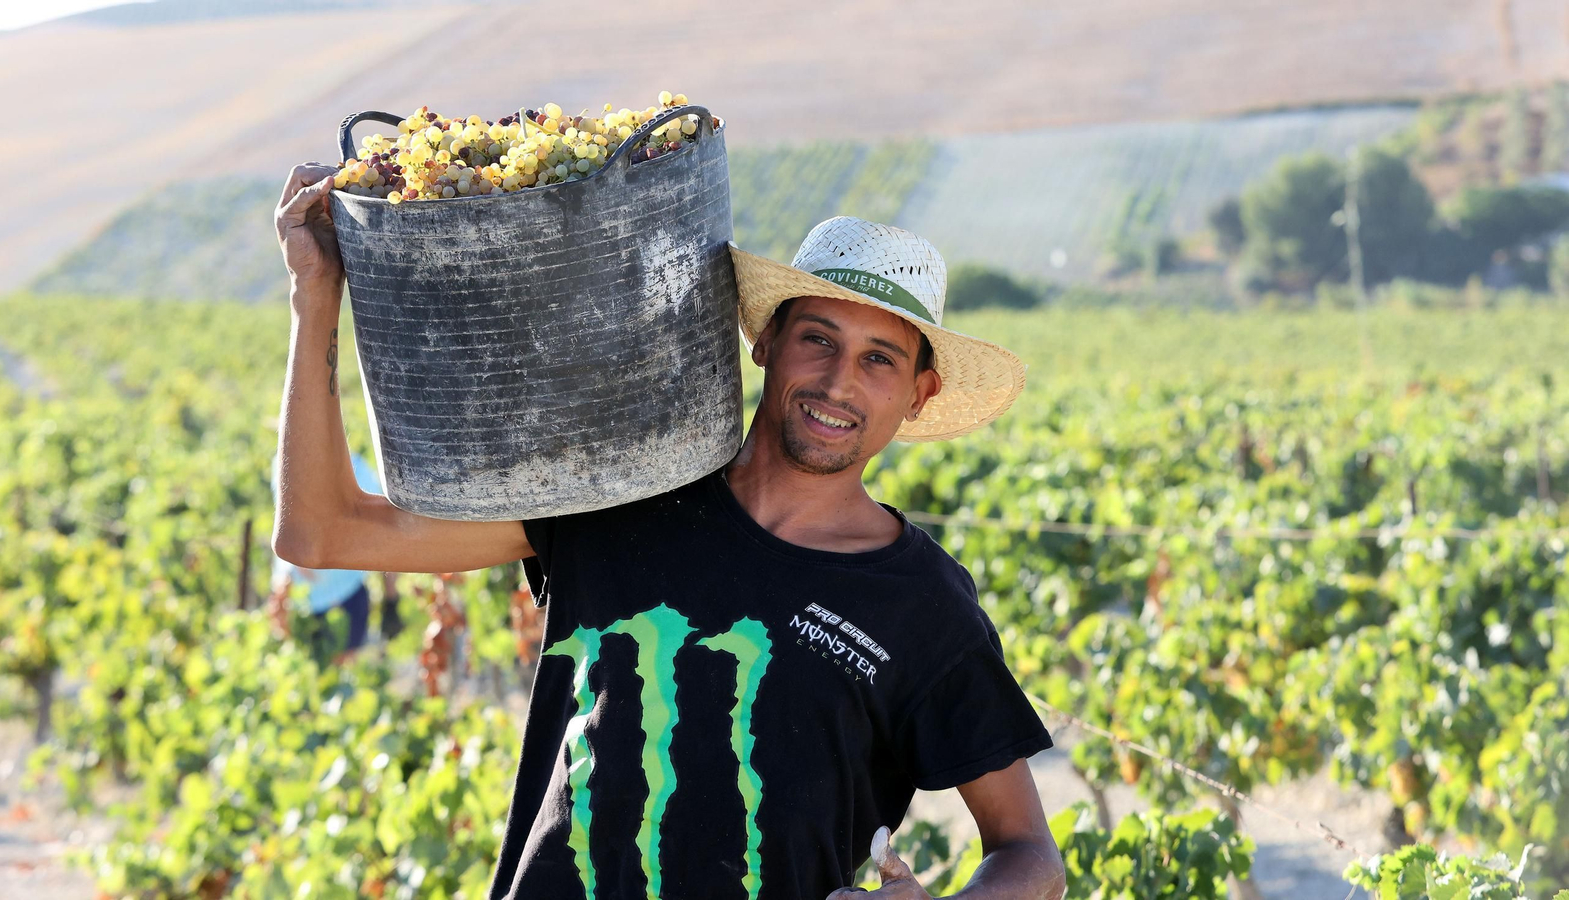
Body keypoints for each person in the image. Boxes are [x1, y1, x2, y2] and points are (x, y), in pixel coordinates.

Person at [273, 163, 1067, 900]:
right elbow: (320, 534)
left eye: (879, 361)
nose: (837, 382)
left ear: (920, 394)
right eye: (817, 339)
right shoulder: (624, 491)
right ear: (765, 341)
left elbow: (1029, 853)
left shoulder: (918, 603)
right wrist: (315, 295)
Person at [268, 448, 402, 661]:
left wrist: (391, 598)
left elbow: (380, 534)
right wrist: (391, 597)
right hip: (305, 601)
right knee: (317, 676)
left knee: (332, 675)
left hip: (342, 594)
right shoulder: (285, 459)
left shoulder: (355, 468)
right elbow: (287, 525)